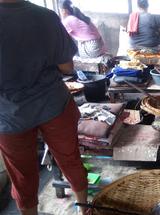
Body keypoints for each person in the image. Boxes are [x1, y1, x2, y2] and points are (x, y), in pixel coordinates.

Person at [0, 1, 88, 215]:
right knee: (70, 160)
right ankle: (84, 211)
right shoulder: (45, 16)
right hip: (53, 104)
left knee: (22, 177)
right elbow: (67, 66)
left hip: (10, 113)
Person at [127, 0, 160, 67]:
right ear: (148, 6)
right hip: (150, 45)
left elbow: (128, 30)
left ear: (138, 6)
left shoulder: (132, 16)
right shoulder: (152, 17)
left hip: (133, 45)